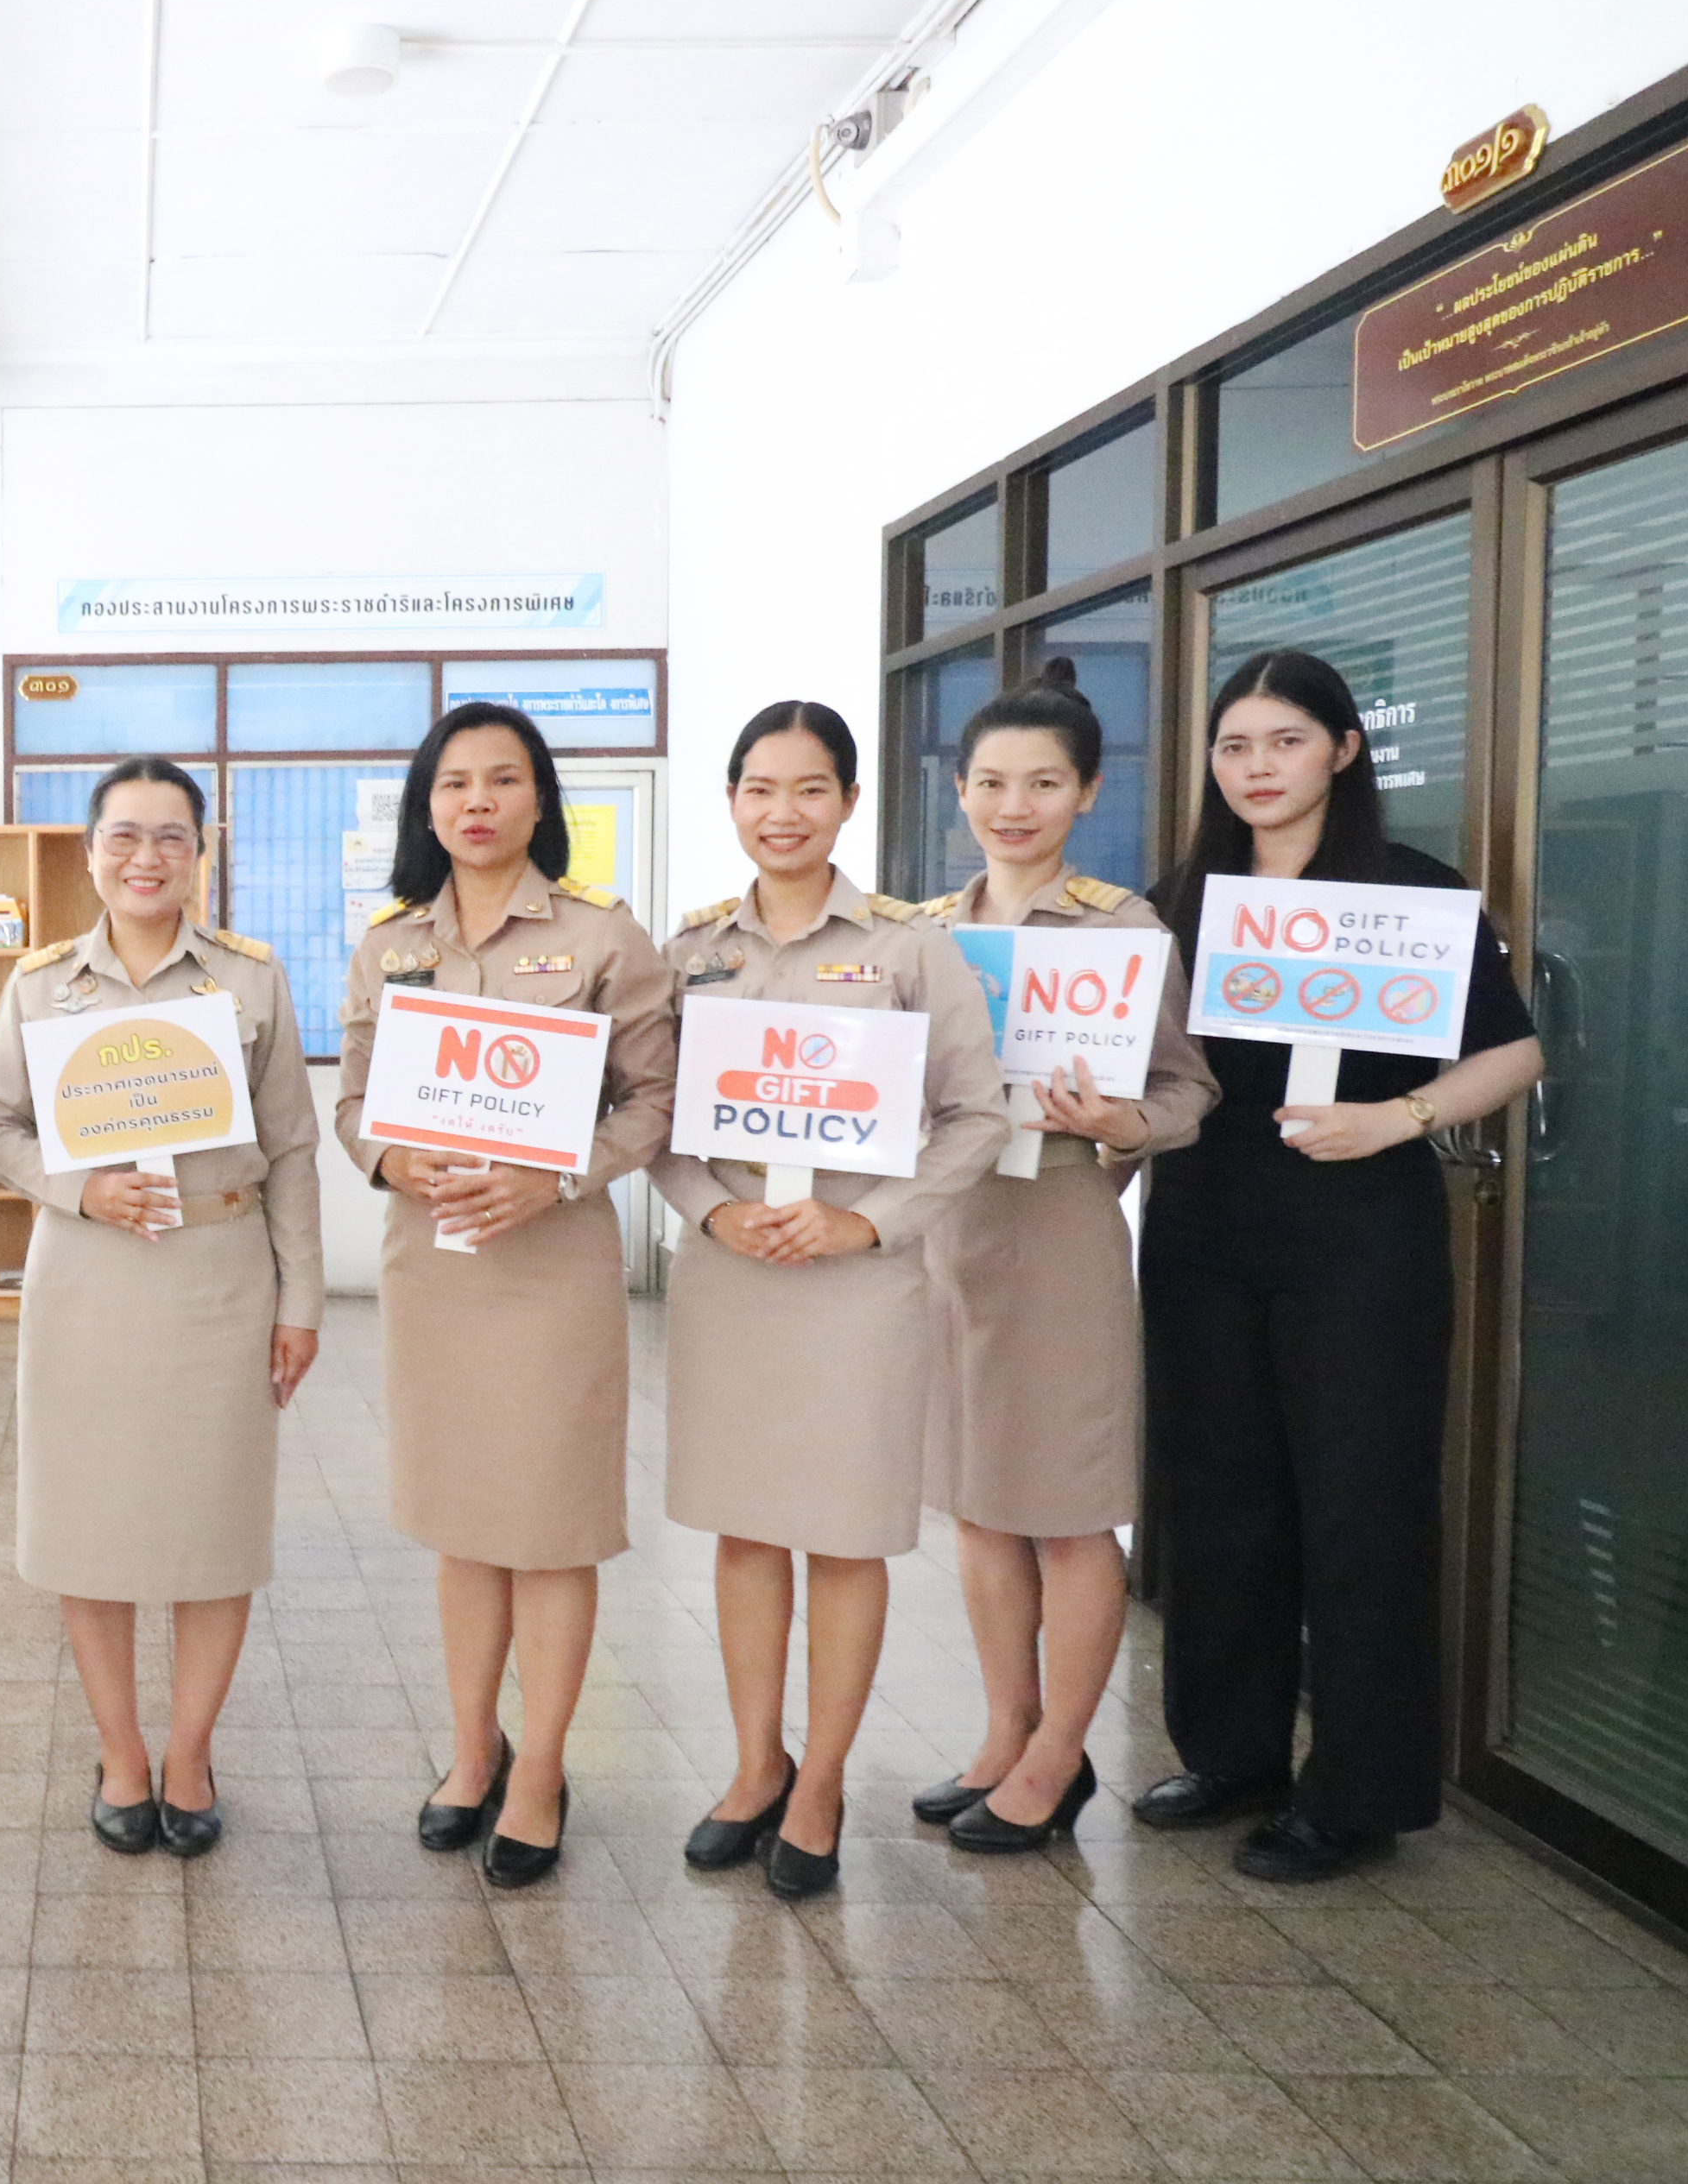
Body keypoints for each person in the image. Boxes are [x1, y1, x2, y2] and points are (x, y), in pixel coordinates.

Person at [1132, 649, 1539, 1881]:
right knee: (1218, 1498)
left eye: (1286, 742)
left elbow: (1514, 1055)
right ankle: (1233, 1754)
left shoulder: (1411, 895)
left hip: (1364, 1233)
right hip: (1205, 1227)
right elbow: (1142, 1068)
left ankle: (1358, 1793)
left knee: (1361, 1509)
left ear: (1344, 752)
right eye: (1235, 747)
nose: (1258, 768)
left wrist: (1399, 1118)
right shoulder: (1182, 898)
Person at [653, 701, 1005, 1898]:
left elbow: (977, 1118)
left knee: (846, 1534)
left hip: (857, 1287)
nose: (782, 813)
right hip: (736, 1278)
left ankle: (821, 1786)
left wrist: (869, 1221)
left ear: (850, 802)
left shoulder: (912, 947)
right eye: (759, 788)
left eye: (809, 789)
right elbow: (654, 1118)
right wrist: (710, 1209)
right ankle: (757, 1766)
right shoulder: (692, 950)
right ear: (733, 800)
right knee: (748, 1527)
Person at [333, 704, 676, 1889]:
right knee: (464, 1523)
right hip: (435, 1270)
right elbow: (356, 1101)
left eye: (503, 780)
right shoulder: (389, 945)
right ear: (427, 808)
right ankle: (474, 1752)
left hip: (551, 1268)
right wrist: (391, 1158)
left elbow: (654, 1101)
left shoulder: (602, 936)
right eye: (453, 784)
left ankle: (543, 1772)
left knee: (549, 1525)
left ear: (542, 798)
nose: (476, 802)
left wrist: (559, 1172)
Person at [0, 757, 325, 1856]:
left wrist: (300, 1298)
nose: (147, 857)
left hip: (217, 1276)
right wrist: (81, 1188)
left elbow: (295, 1150)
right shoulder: (40, 984)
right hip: (87, 1278)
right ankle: (122, 1751)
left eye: (172, 836)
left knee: (214, 1528)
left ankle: (189, 1751)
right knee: (92, 1529)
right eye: (124, 835)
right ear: (88, 851)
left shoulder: (249, 981)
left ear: (201, 853)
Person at [914, 659, 1216, 1853]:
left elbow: (1189, 1087)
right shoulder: (926, 935)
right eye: (990, 781)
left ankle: (1058, 1758)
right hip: (948, 1237)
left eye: (1043, 782)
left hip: (1059, 1228)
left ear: (1087, 791)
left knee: (1069, 1514)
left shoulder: (1122, 929)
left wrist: (1121, 1126)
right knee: (981, 1506)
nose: (1013, 805)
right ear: (958, 790)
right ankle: (1004, 1729)